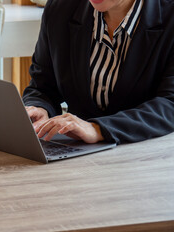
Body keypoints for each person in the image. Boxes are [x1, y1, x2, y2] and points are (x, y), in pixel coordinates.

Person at [23, 0, 174, 144]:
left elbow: (170, 104)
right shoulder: (61, 9)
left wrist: (99, 129)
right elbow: (42, 86)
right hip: (77, 154)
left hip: (148, 157)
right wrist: (39, 108)